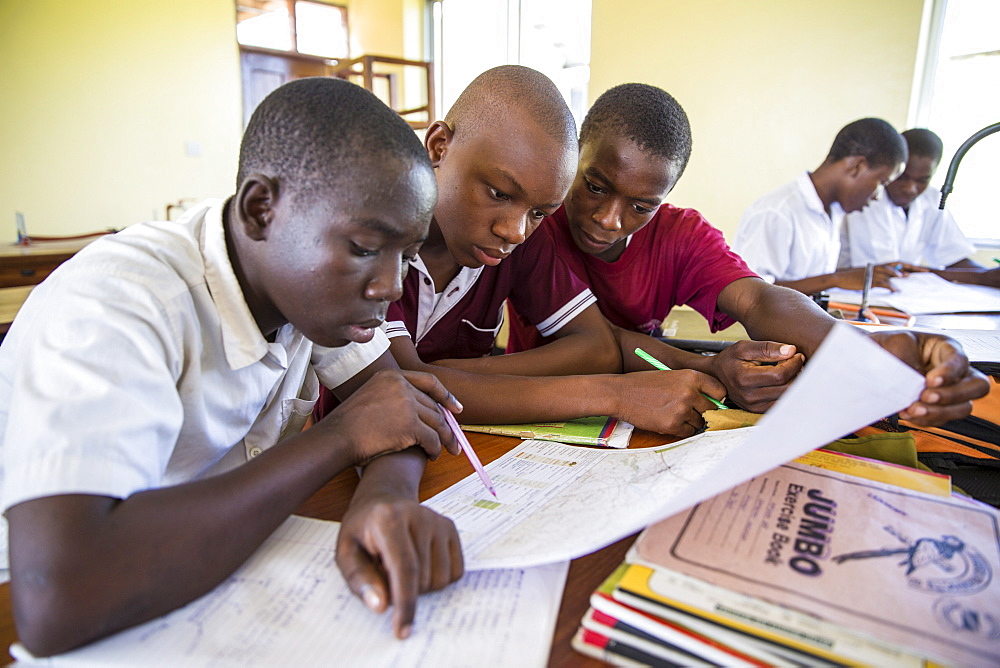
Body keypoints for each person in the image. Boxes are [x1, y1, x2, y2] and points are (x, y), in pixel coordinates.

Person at [0, 78, 467, 657]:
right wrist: (342, 437)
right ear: (260, 210)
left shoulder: (304, 288)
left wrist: (385, 500)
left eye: (408, 255)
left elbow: (394, 407)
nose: (391, 285)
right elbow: (57, 599)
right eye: (366, 247)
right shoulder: (117, 303)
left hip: (225, 575)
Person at [506, 83, 988, 419]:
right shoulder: (533, 224)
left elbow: (759, 299)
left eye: (641, 206)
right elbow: (599, 342)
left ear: (665, 197)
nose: (610, 218)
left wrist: (864, 345)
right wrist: (703, 365)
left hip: (650, 397)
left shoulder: (680, 235)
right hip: (529, 403)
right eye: (593, 186)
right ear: (574, 156)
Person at [316, 65, 728, 439]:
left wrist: (443, 375)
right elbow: (401, 386)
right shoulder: (376, 244)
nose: (514, 231)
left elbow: (597, 346)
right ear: (440, 147)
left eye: (539, 212)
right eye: (498, 193)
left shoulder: (522, 240)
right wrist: (612, 394)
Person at [733, 118, 911, 295]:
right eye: (882, 182)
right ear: (857, 166)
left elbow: (810, 279)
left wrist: (857, 276)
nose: (878, 197)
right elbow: (752, 292)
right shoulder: (777, 212)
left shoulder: (832, 211)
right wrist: (835, 280)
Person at [842, 128, 1000, 288]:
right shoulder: (864, 198)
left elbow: (953, 257)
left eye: (922, 180)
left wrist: (988, 275)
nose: (910, 188)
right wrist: (980, 277)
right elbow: (887, 270)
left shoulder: (932, 199)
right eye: (902, 177)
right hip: (852, 296)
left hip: (905, 298)